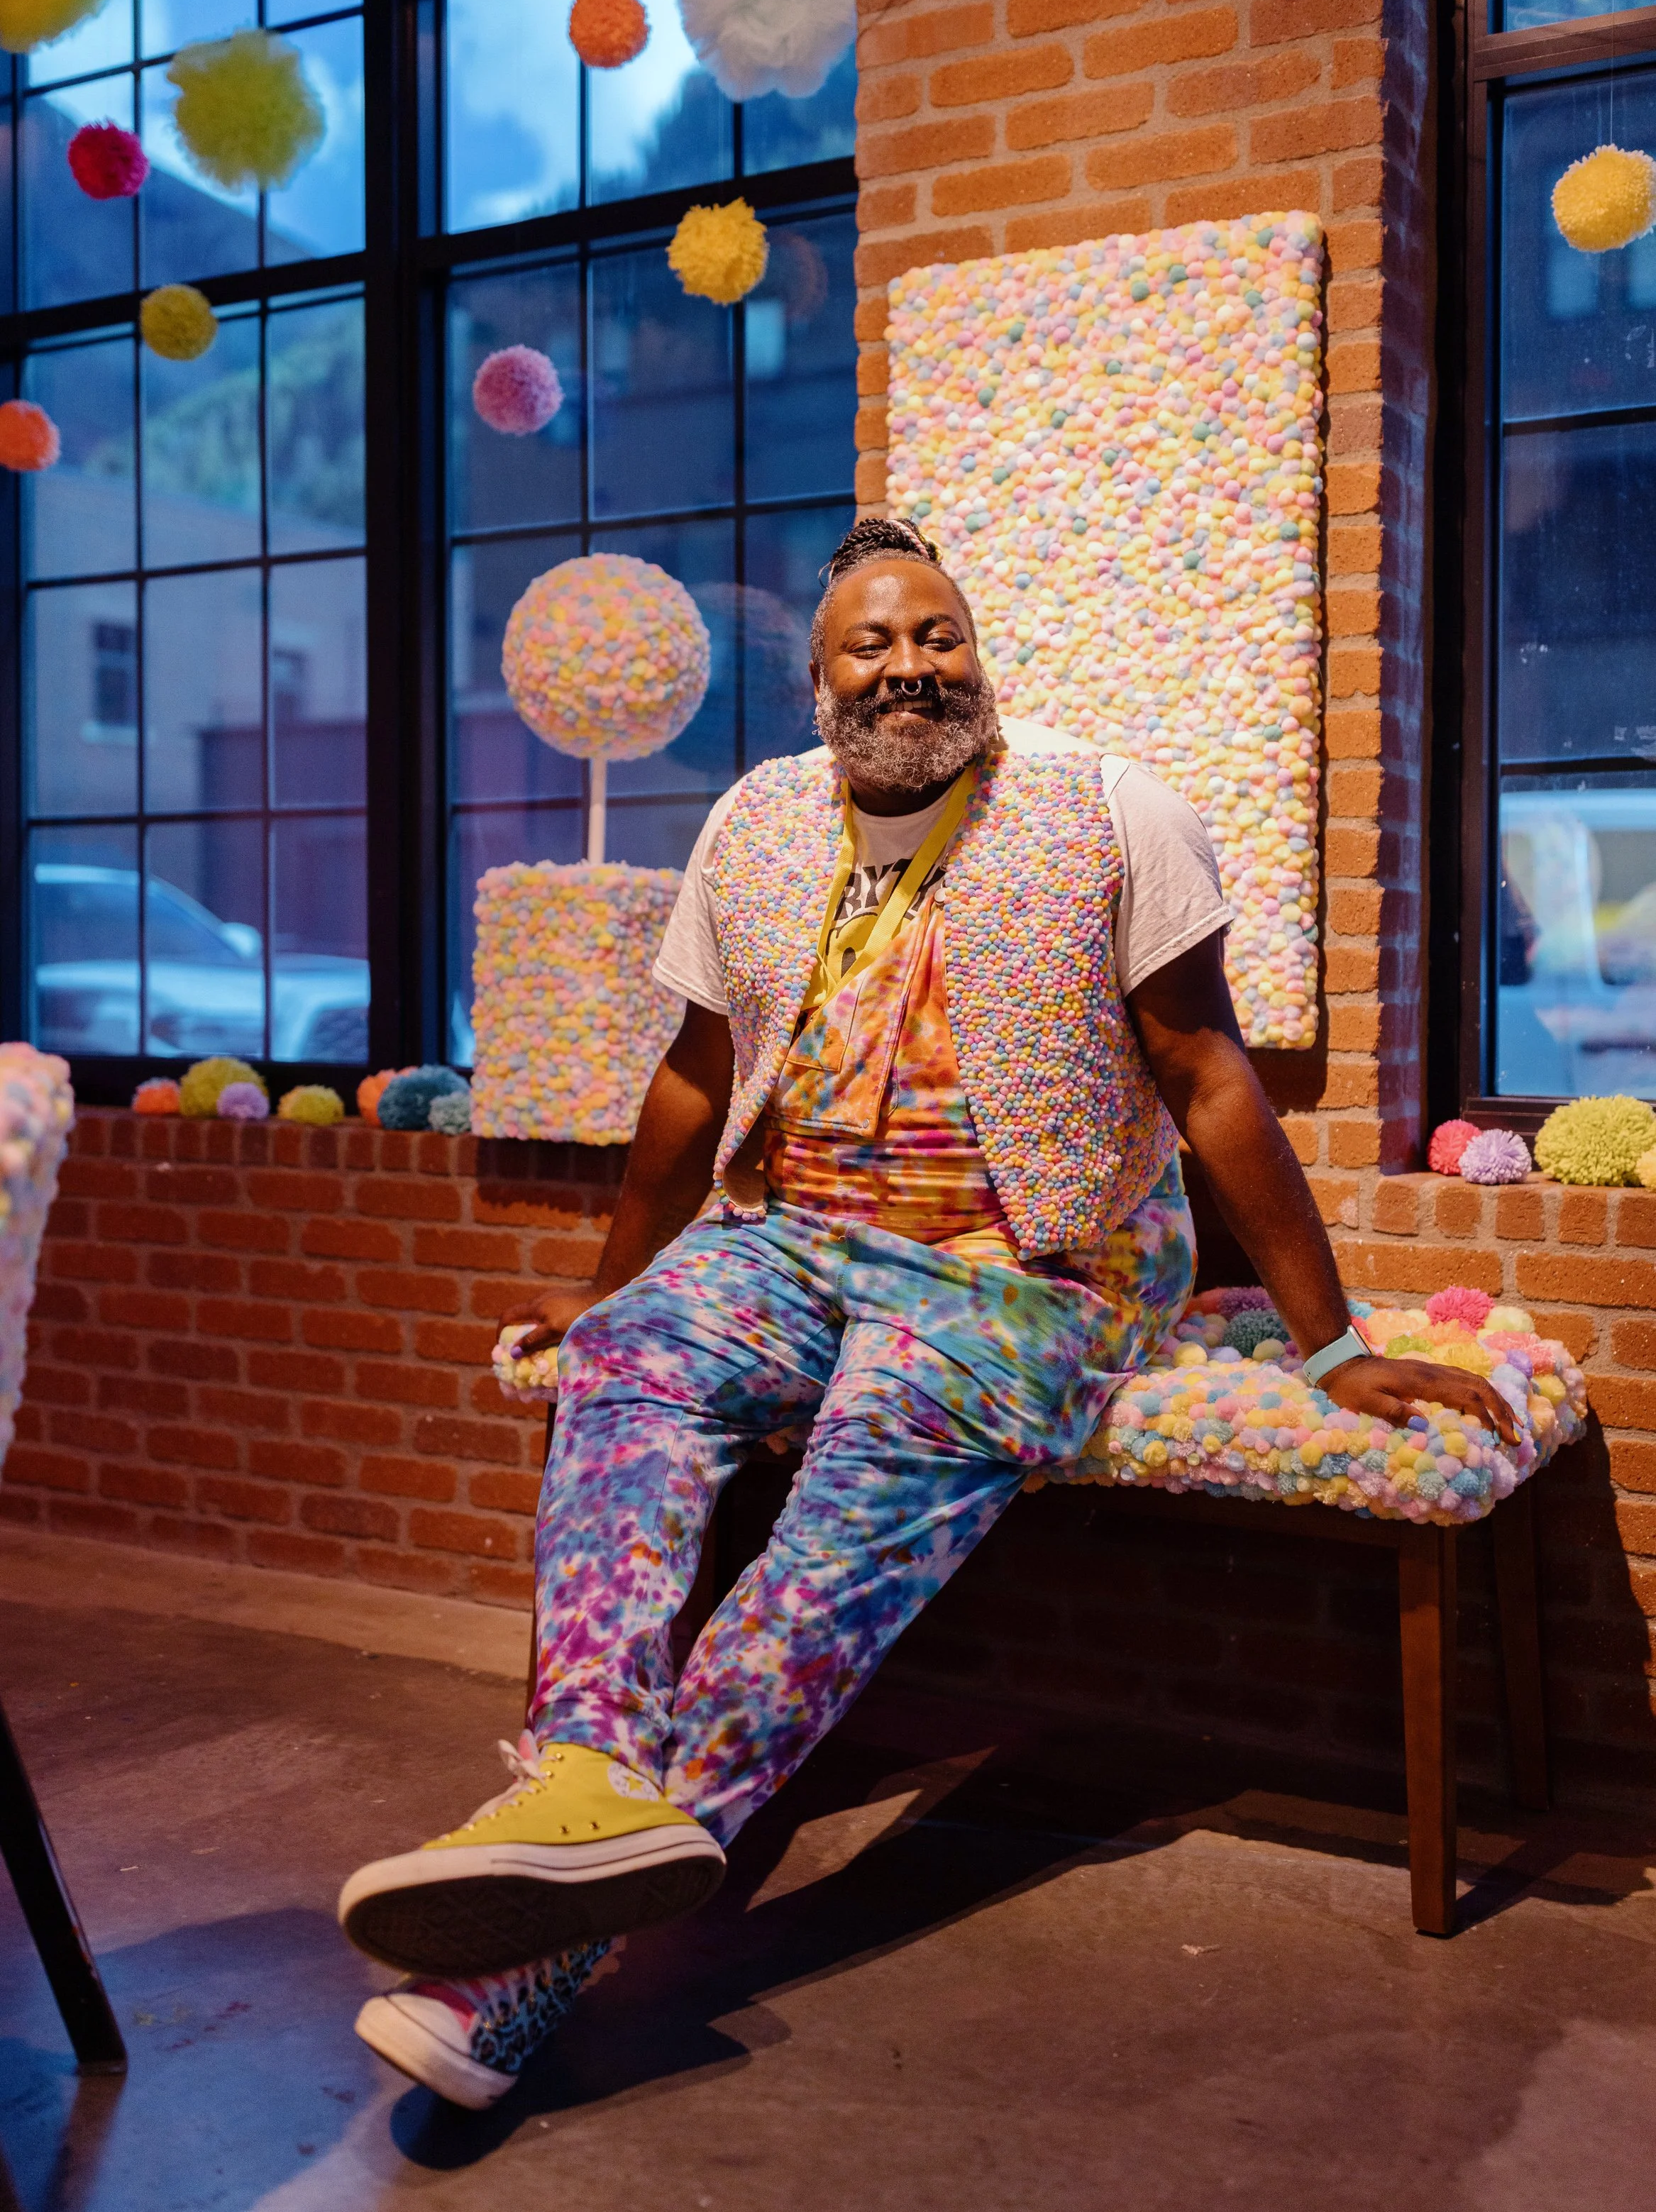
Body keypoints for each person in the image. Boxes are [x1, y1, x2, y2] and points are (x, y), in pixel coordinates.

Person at [338, 516, 1517, 2108]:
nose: (909, 665)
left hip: (1029, 1270)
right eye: (871, 644)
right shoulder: (755, 820)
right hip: (793, 1237)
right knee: (625, 1362)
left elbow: (1207, 1074)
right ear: (818, 679)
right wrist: (616, 1288)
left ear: (977, 653)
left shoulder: (1109, 810)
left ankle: (526, 1961)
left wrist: (1333, 1346)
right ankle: (582, 1778)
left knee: (859, 1484)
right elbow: (694, 1073)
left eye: (937, 634)